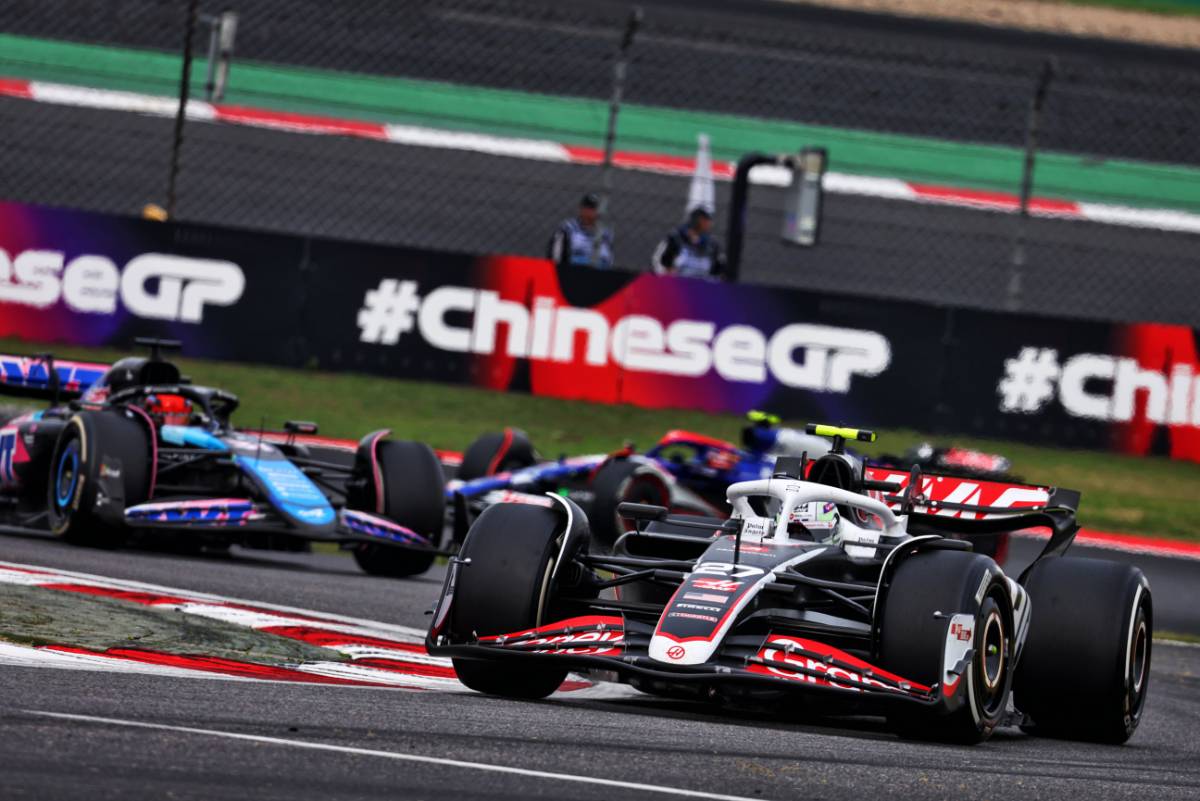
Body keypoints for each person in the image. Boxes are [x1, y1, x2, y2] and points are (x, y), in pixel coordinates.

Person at [652, 207, 724, 279]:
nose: (710, 223)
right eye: (705, 219)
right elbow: (658, 262)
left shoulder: (712, 245)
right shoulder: (675, 239)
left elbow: (719, 271)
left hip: (701, 284)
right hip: (677, 283)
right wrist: (667, 273)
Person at [548, 193, 613, 269]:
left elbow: (609, 257)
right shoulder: (568, 227)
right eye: (587, 208)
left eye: (593, 209)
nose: (589, 212)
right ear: (581, 209)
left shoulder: (605, 233)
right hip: (574, 268)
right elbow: (556, 253)